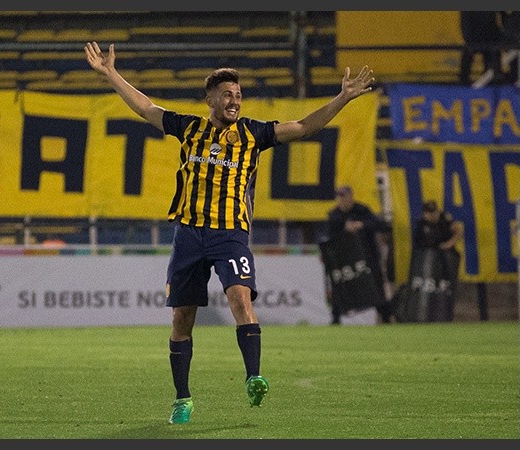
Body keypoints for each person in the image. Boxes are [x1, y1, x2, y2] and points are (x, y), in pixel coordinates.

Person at [84, 41, 375, 424]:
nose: (234, 100)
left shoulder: (254, 134)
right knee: (182, 318)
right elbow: (145, 107)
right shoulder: (189, 128)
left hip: (230, 234)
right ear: (210, 100)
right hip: (189, 234)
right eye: (227, 95)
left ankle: (254, 376)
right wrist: (111, 73)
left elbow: (304, 126)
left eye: (237, 95)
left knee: (240, 298)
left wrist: (343, 98)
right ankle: (182, 399)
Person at [326, 185, 392, 324]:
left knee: (375, 287)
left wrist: (362, 225)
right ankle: (335, 319)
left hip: (367, 256)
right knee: (340, 287)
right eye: (339, 197)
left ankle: (386, 317)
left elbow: (381, 225)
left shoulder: (362, 210)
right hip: (346, 258)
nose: (342, 200)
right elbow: (331, 237)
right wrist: (345, 229)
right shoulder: (334, 215)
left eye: (344, 196)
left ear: (351, 196)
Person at [411, 200, 463, 321]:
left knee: (443, 289)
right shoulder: (421, 224)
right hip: (427, 262)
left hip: (444, 261)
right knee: (426, 289)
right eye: (429, 213)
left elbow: (459, 231)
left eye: (434, 212)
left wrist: (449, 244)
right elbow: (417, 246)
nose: (433, 215)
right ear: (425, 214)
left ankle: (444, 316)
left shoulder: (445, 220)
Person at [459, 11, 506, 86]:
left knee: (493, 52)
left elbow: (502, 16)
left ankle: (495, 78)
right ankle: (464, 80)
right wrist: (469, 40)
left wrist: (500, 36)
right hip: (474, 38)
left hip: (490, 38)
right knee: (468, 53)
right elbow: (465, 24)